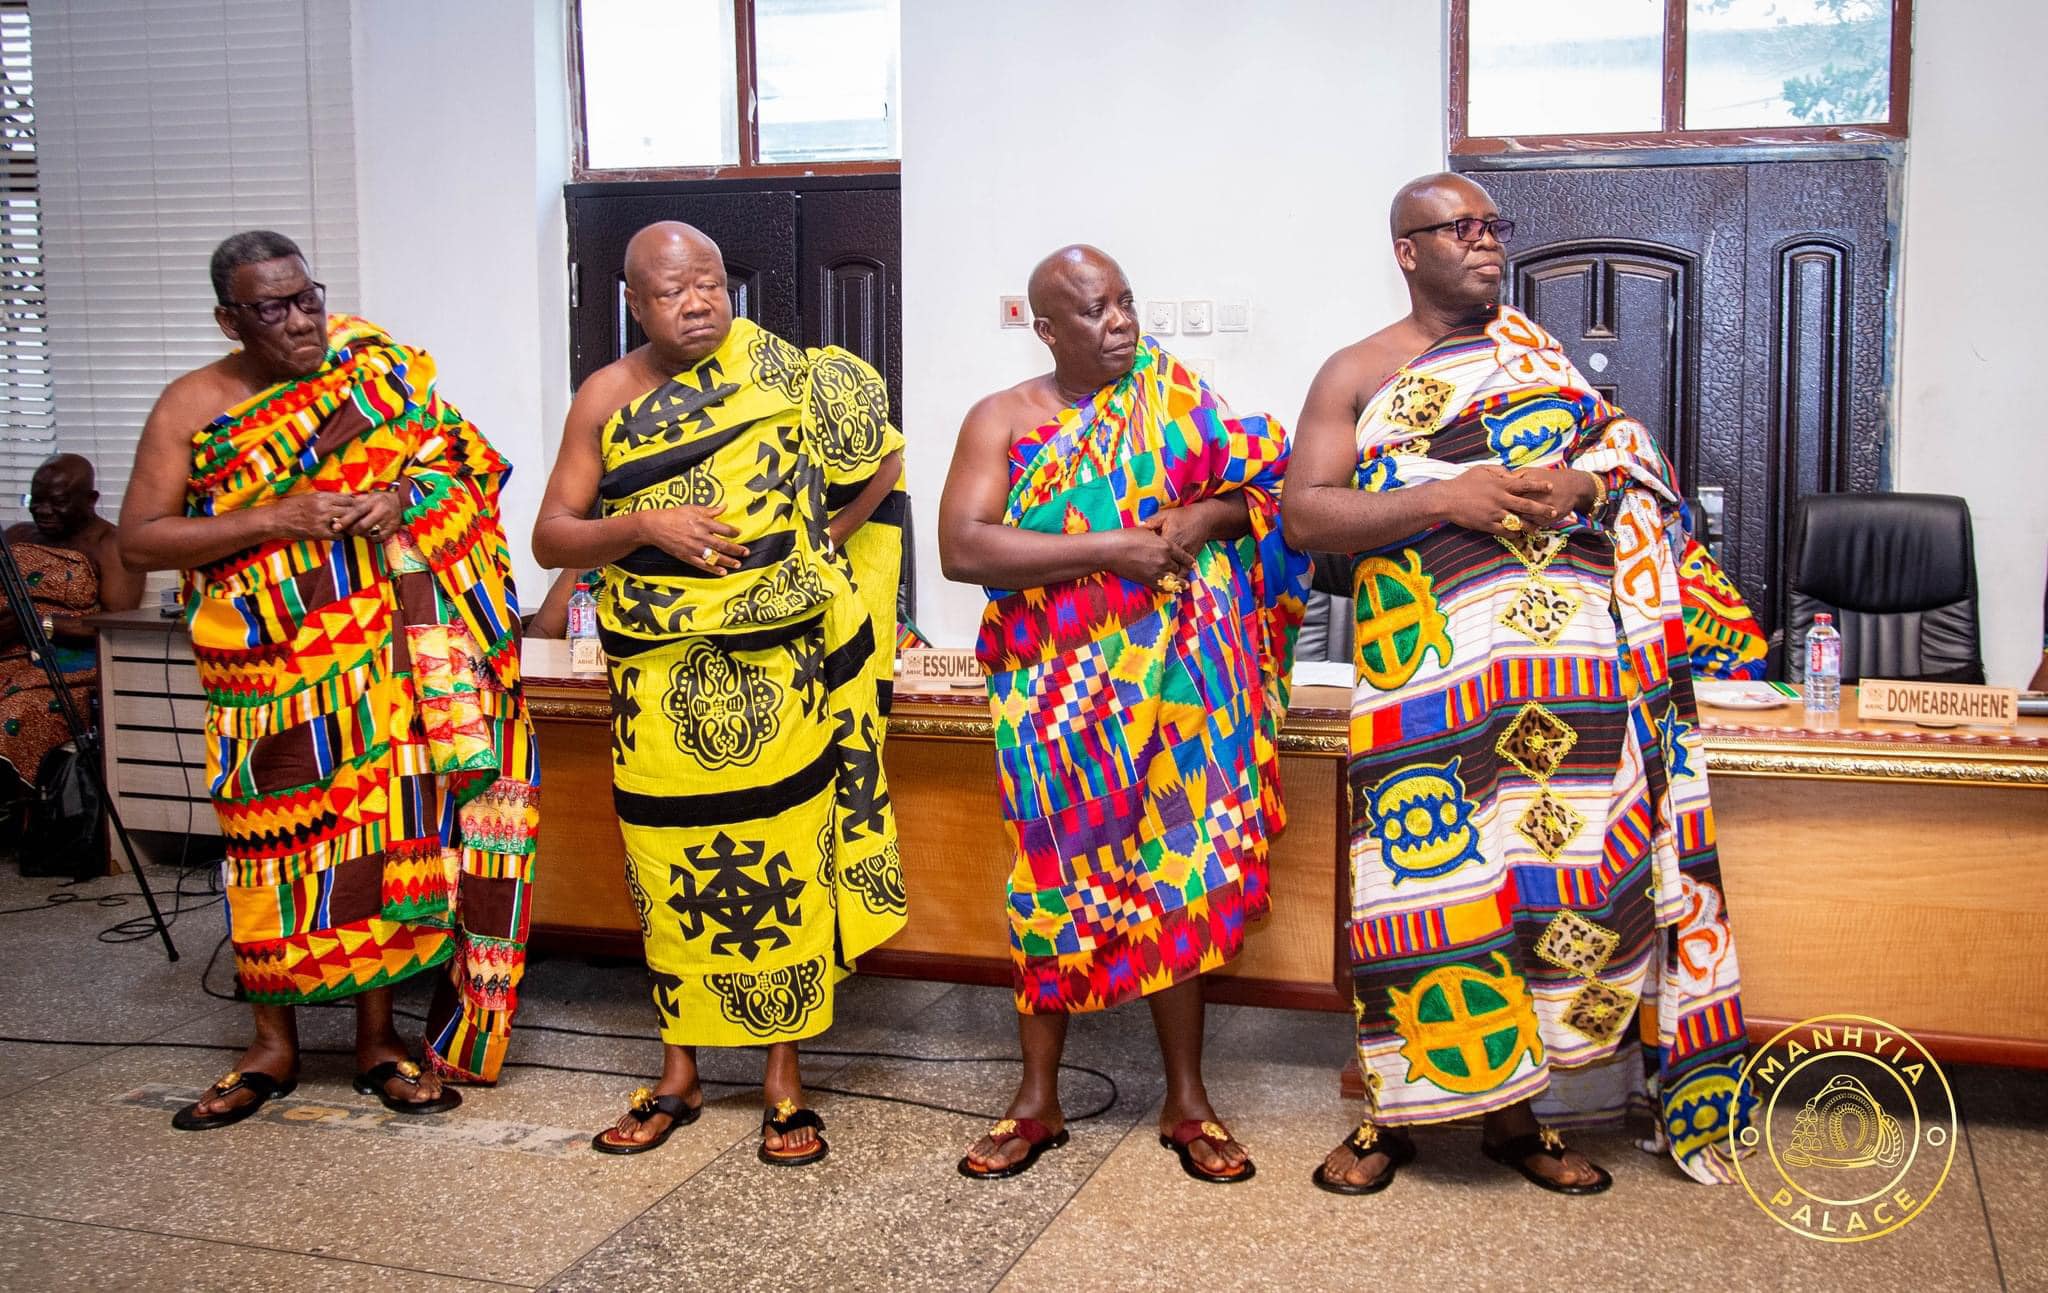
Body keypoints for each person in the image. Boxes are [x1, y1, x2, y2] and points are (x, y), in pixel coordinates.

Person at [1285, 174, 1748, 1195]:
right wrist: (1443, 494)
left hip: (1565, 682)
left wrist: (1584, 483)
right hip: (1427, 686)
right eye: (1459, 229)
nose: (1485, 243)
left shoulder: (1544, 361)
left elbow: (1630, 470)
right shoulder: (1354, 372)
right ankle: (1385, 1117)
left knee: (1544, 891)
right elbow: (1304, 520)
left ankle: (1518, 1119)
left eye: (1493, 226)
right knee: (1416, 896)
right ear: (1406, 249)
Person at [118, 230, 538, 1129]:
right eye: (273, 308)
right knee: (270, 848)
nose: (302, 320)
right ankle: (271, 1044)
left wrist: (401, 497)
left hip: (373, 666)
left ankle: (376, 1040)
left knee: (374, 846)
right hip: (267, 669)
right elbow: (142, 537)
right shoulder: (192, 404)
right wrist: (281, 514)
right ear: (230, 319)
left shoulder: (370, 366)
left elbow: (464, 462)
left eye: (307, 297)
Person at [531, 221, 907, 1163]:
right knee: (668, 879)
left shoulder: (788, 373)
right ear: (635, 302)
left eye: (709, 282)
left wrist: (819, 542)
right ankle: (679, 1072)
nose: (697, 302)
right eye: (671, 290)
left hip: (782, 676)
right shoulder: (606, 397)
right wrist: (644, 522)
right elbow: (551, 536)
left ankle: (784, 1076)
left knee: (789, 860)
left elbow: (882, 465)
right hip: (658, 688)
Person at [938, 245, 1309, 1183]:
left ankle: (1188, 1099)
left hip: (1186, 689)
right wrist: (1115, 549)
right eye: (1095, 310)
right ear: (1046, 326)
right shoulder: (1003, 419)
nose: (1121, 323)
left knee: (1178, 871)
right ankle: (1036, 1100)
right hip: (1061, 699)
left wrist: (1195, 524)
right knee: (1051, 880)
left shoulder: (1177, 396)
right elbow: (963, 545)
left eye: (1127, 302)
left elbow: (1266, 490)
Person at [1, 455, 143, 798]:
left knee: (10, 714)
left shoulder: (111, 546)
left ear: (91, 500)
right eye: (38, 500)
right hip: (5, 649)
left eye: (59, 502)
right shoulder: (18, 535)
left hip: (68, 667)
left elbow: (113, 625)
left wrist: (38, 625)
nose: (44, 510)